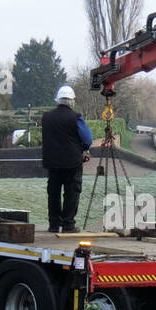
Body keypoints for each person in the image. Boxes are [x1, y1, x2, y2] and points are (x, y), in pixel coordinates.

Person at [41, 85, 93, 233]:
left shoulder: (46, 117)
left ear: (57, 100)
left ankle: (54, 224)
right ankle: (68, 224)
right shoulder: (76, 118)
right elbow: (87, 139)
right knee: (72, 192)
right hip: (72, 162)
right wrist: (83, 147)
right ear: (72, 102)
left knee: (54, 192)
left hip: (52, 162)